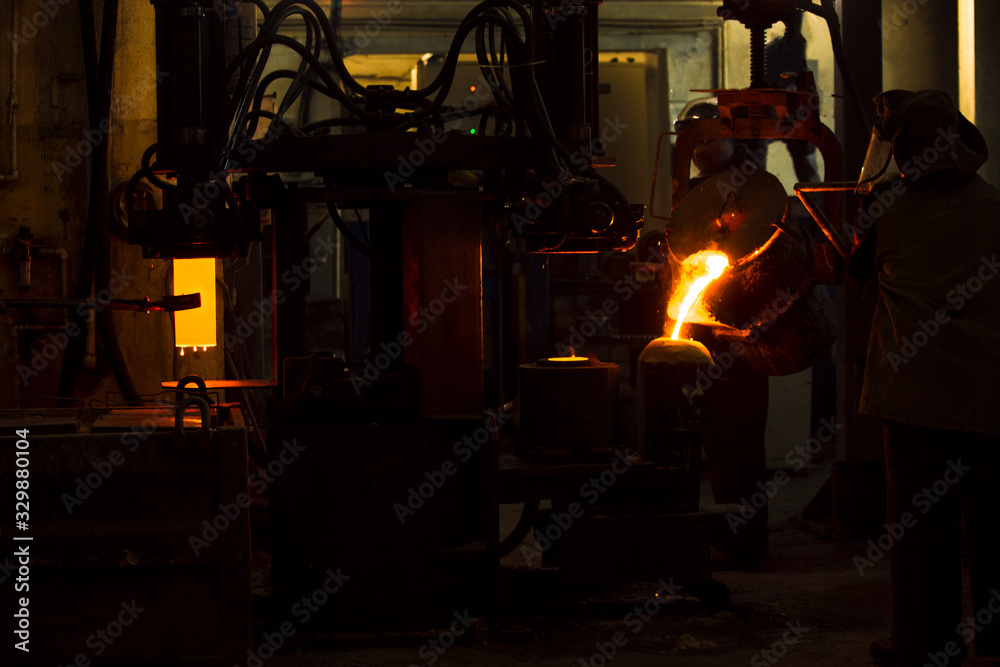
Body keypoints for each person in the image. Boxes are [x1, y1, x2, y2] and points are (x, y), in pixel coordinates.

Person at [852, 89, 1000, 666]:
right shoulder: (996, 208)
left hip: (914, 402)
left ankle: (923, 641)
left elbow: (856, 272)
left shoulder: (888, 209)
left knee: (921, 532)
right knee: (993, 526)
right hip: (990, 395)